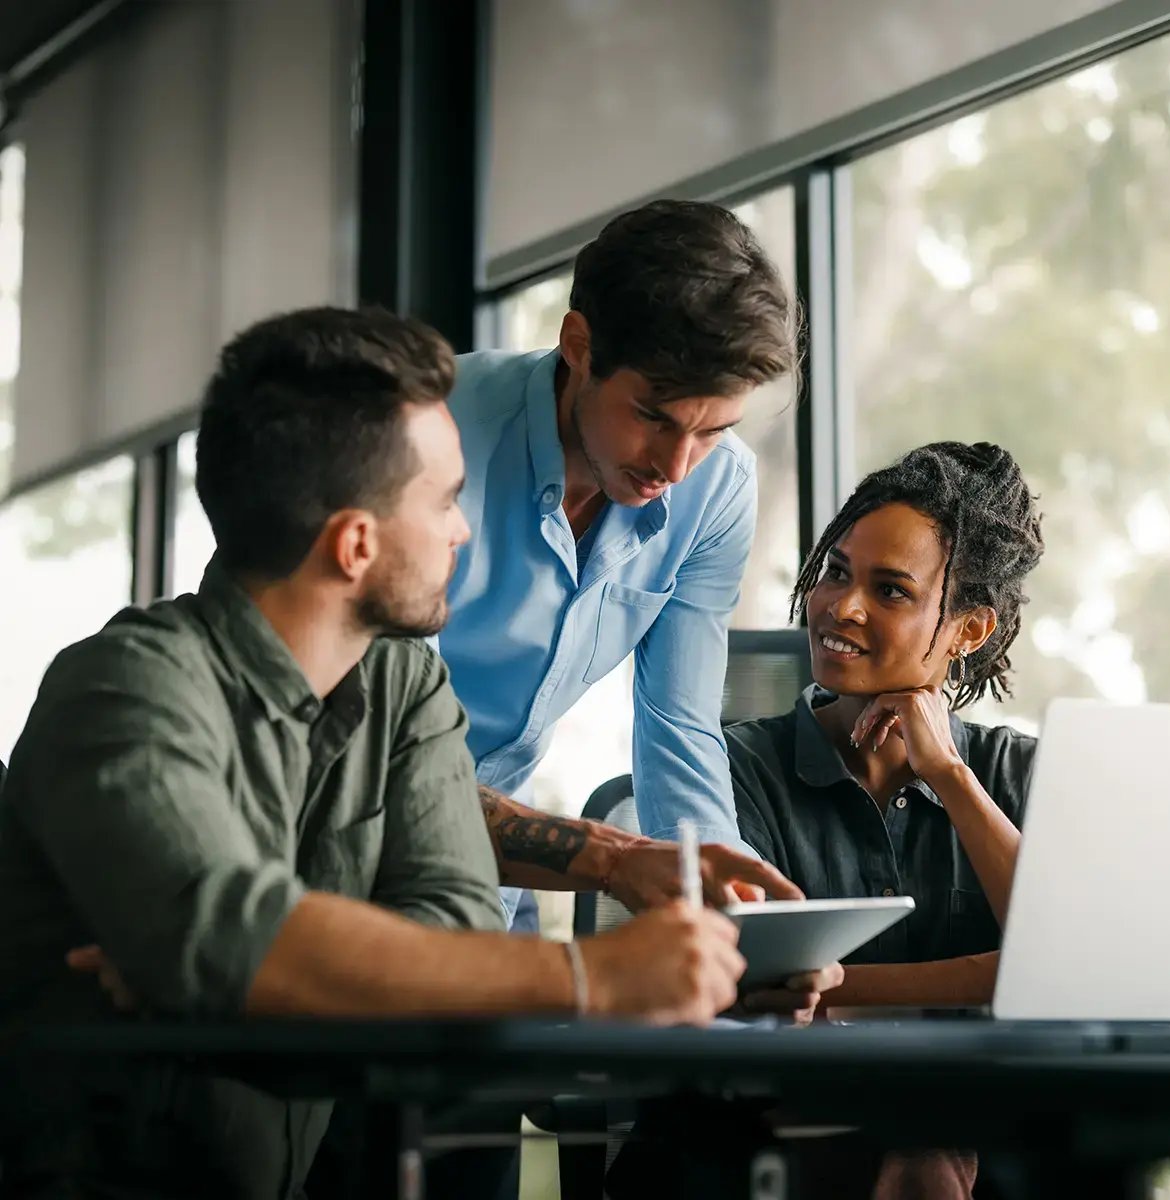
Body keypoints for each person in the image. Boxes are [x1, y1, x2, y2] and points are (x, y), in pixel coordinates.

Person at [0, 308, 838, 1200]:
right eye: (443, 501)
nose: (463, 532)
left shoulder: (405, 689)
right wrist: (583, 975)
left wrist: (242, 980)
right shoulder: (122, 688)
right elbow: (259, 942)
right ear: (355, 543)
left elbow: (461, 937)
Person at [440, 199, 801, 928]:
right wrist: (610, 857)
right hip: (334, 845)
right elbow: (384, 751)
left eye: (713, 430)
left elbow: (680, 728)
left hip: (495, 870)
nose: (676, 464)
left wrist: (730, 917)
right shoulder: (430, 434)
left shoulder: (718, 485)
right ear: (579, 343)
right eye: (654, 417)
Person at [728, 440, 1046, 1012]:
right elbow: (747, 988)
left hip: (991, 1103)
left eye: (891, 590)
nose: (842, 607)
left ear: (968, 631)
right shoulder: (739, 768)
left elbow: (1076, 967)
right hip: (801, 1102)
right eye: (837, 571)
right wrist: (994, 977)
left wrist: (949, 775)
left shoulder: (1020, 775)